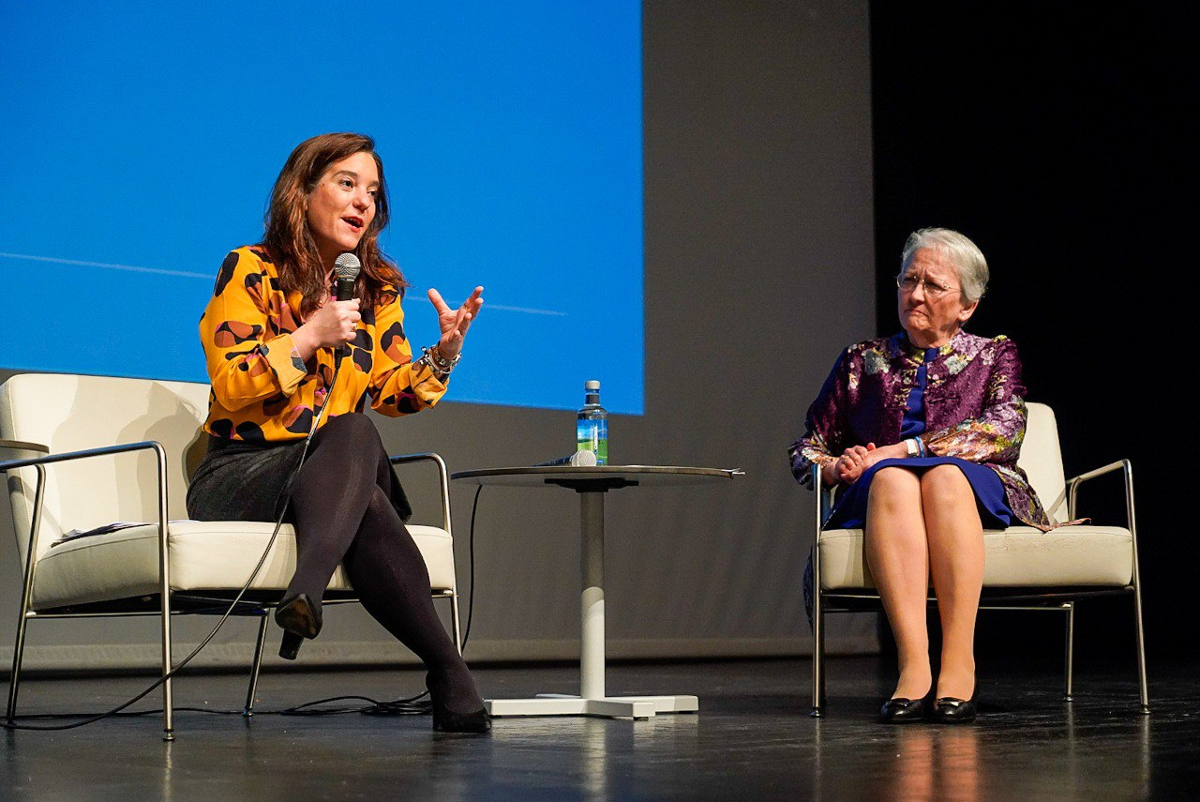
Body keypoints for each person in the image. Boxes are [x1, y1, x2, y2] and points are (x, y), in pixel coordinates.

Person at [186, 132, 489, 733]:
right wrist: (307, 337)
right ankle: (447, 671)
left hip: (330, 473)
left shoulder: (377, 290)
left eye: (372, 192)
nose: (362, 202)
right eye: (347, 184)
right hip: (241, 473)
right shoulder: (250, 269)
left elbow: (394, 394)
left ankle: (307, 594)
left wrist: (444, 354)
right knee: (358, 455)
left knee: (355, 437)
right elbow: (231, 383)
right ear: (301, 192)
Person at [789, 228, 1051, 725]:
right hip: (884, 493)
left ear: (967, 305)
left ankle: (959, 661)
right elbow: (806, 448)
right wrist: (835, 467)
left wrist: (908, 449)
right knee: (892, 480)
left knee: (944, 477)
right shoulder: (861, 361)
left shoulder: (994, 354)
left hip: (973, 487)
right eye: (909, 280)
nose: (915, 294)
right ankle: (913, 664)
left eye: (933, 284)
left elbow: (1006, 429)